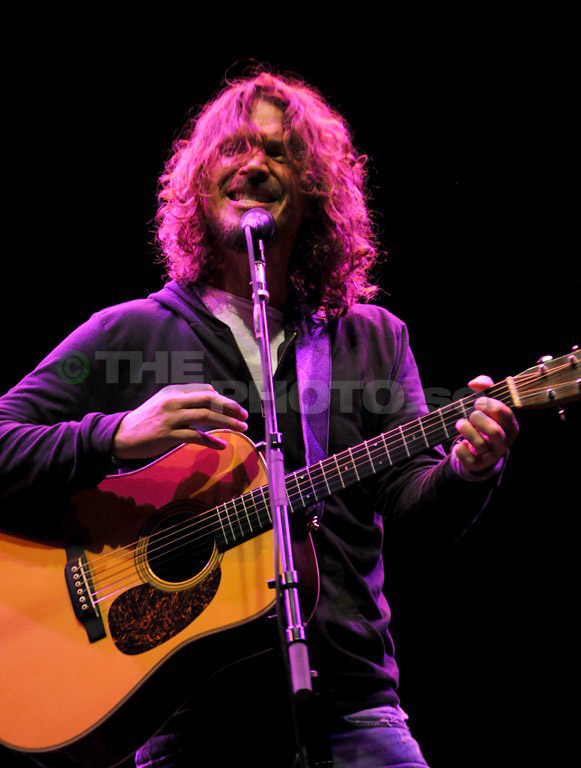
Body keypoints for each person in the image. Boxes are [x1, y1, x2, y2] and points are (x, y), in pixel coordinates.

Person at [0, 71, 518, 768]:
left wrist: (468, 470)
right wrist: (114, 435)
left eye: (278, 153)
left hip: (354, 709)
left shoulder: (371, 337)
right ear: (198, 182)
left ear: (314, 189)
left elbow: (415, 513)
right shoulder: (129, 333)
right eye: (233, 149)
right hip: (189, 723)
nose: (253, 164)